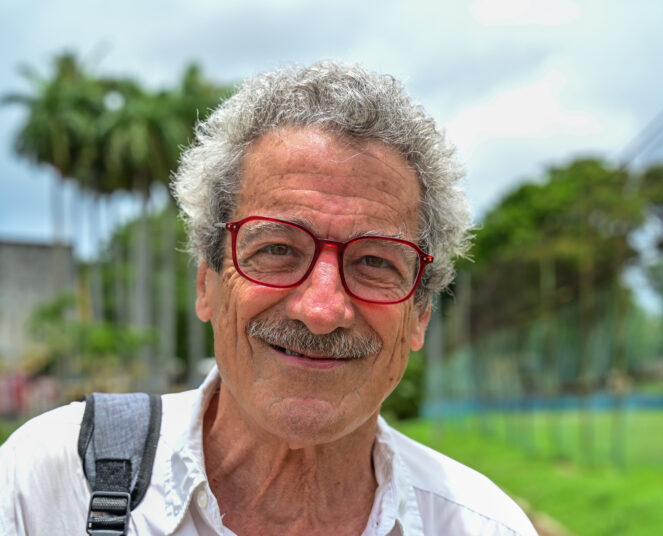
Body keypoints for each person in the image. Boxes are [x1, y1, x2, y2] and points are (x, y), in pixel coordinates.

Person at [0, 61, 538, 536]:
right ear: (207, 282)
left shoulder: (481, 525)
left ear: (419, 313)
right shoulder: (47, 485)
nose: (322, 310)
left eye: (375, 262)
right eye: (278, 248)